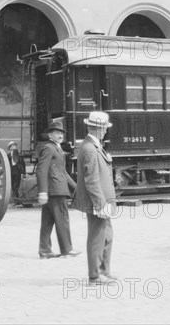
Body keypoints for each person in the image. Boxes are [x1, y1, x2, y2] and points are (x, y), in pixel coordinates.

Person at [73, 111, 117, 286]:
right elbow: (91, 180)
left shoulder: (93, 146)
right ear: (99, 129)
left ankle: (103, 271)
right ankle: (94, 275)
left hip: (102, 201)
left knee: (107, 235)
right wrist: (101, 203)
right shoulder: (90, 149)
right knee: (97, 237)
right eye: (105, 127)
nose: (106, 130)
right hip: (97, 202)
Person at [36, 119, 80, 259]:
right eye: (56, 133)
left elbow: (63, 173)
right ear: (50, 135)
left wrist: (76, 188)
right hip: (56, 190)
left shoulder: (57, 148)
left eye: (61, 133)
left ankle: (44, 250)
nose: (60, 136)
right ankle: (67, 249)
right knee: (62, 219)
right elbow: (41, 170)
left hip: (54, 189)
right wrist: (42, 191)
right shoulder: (49, 148)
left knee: (47, 222)